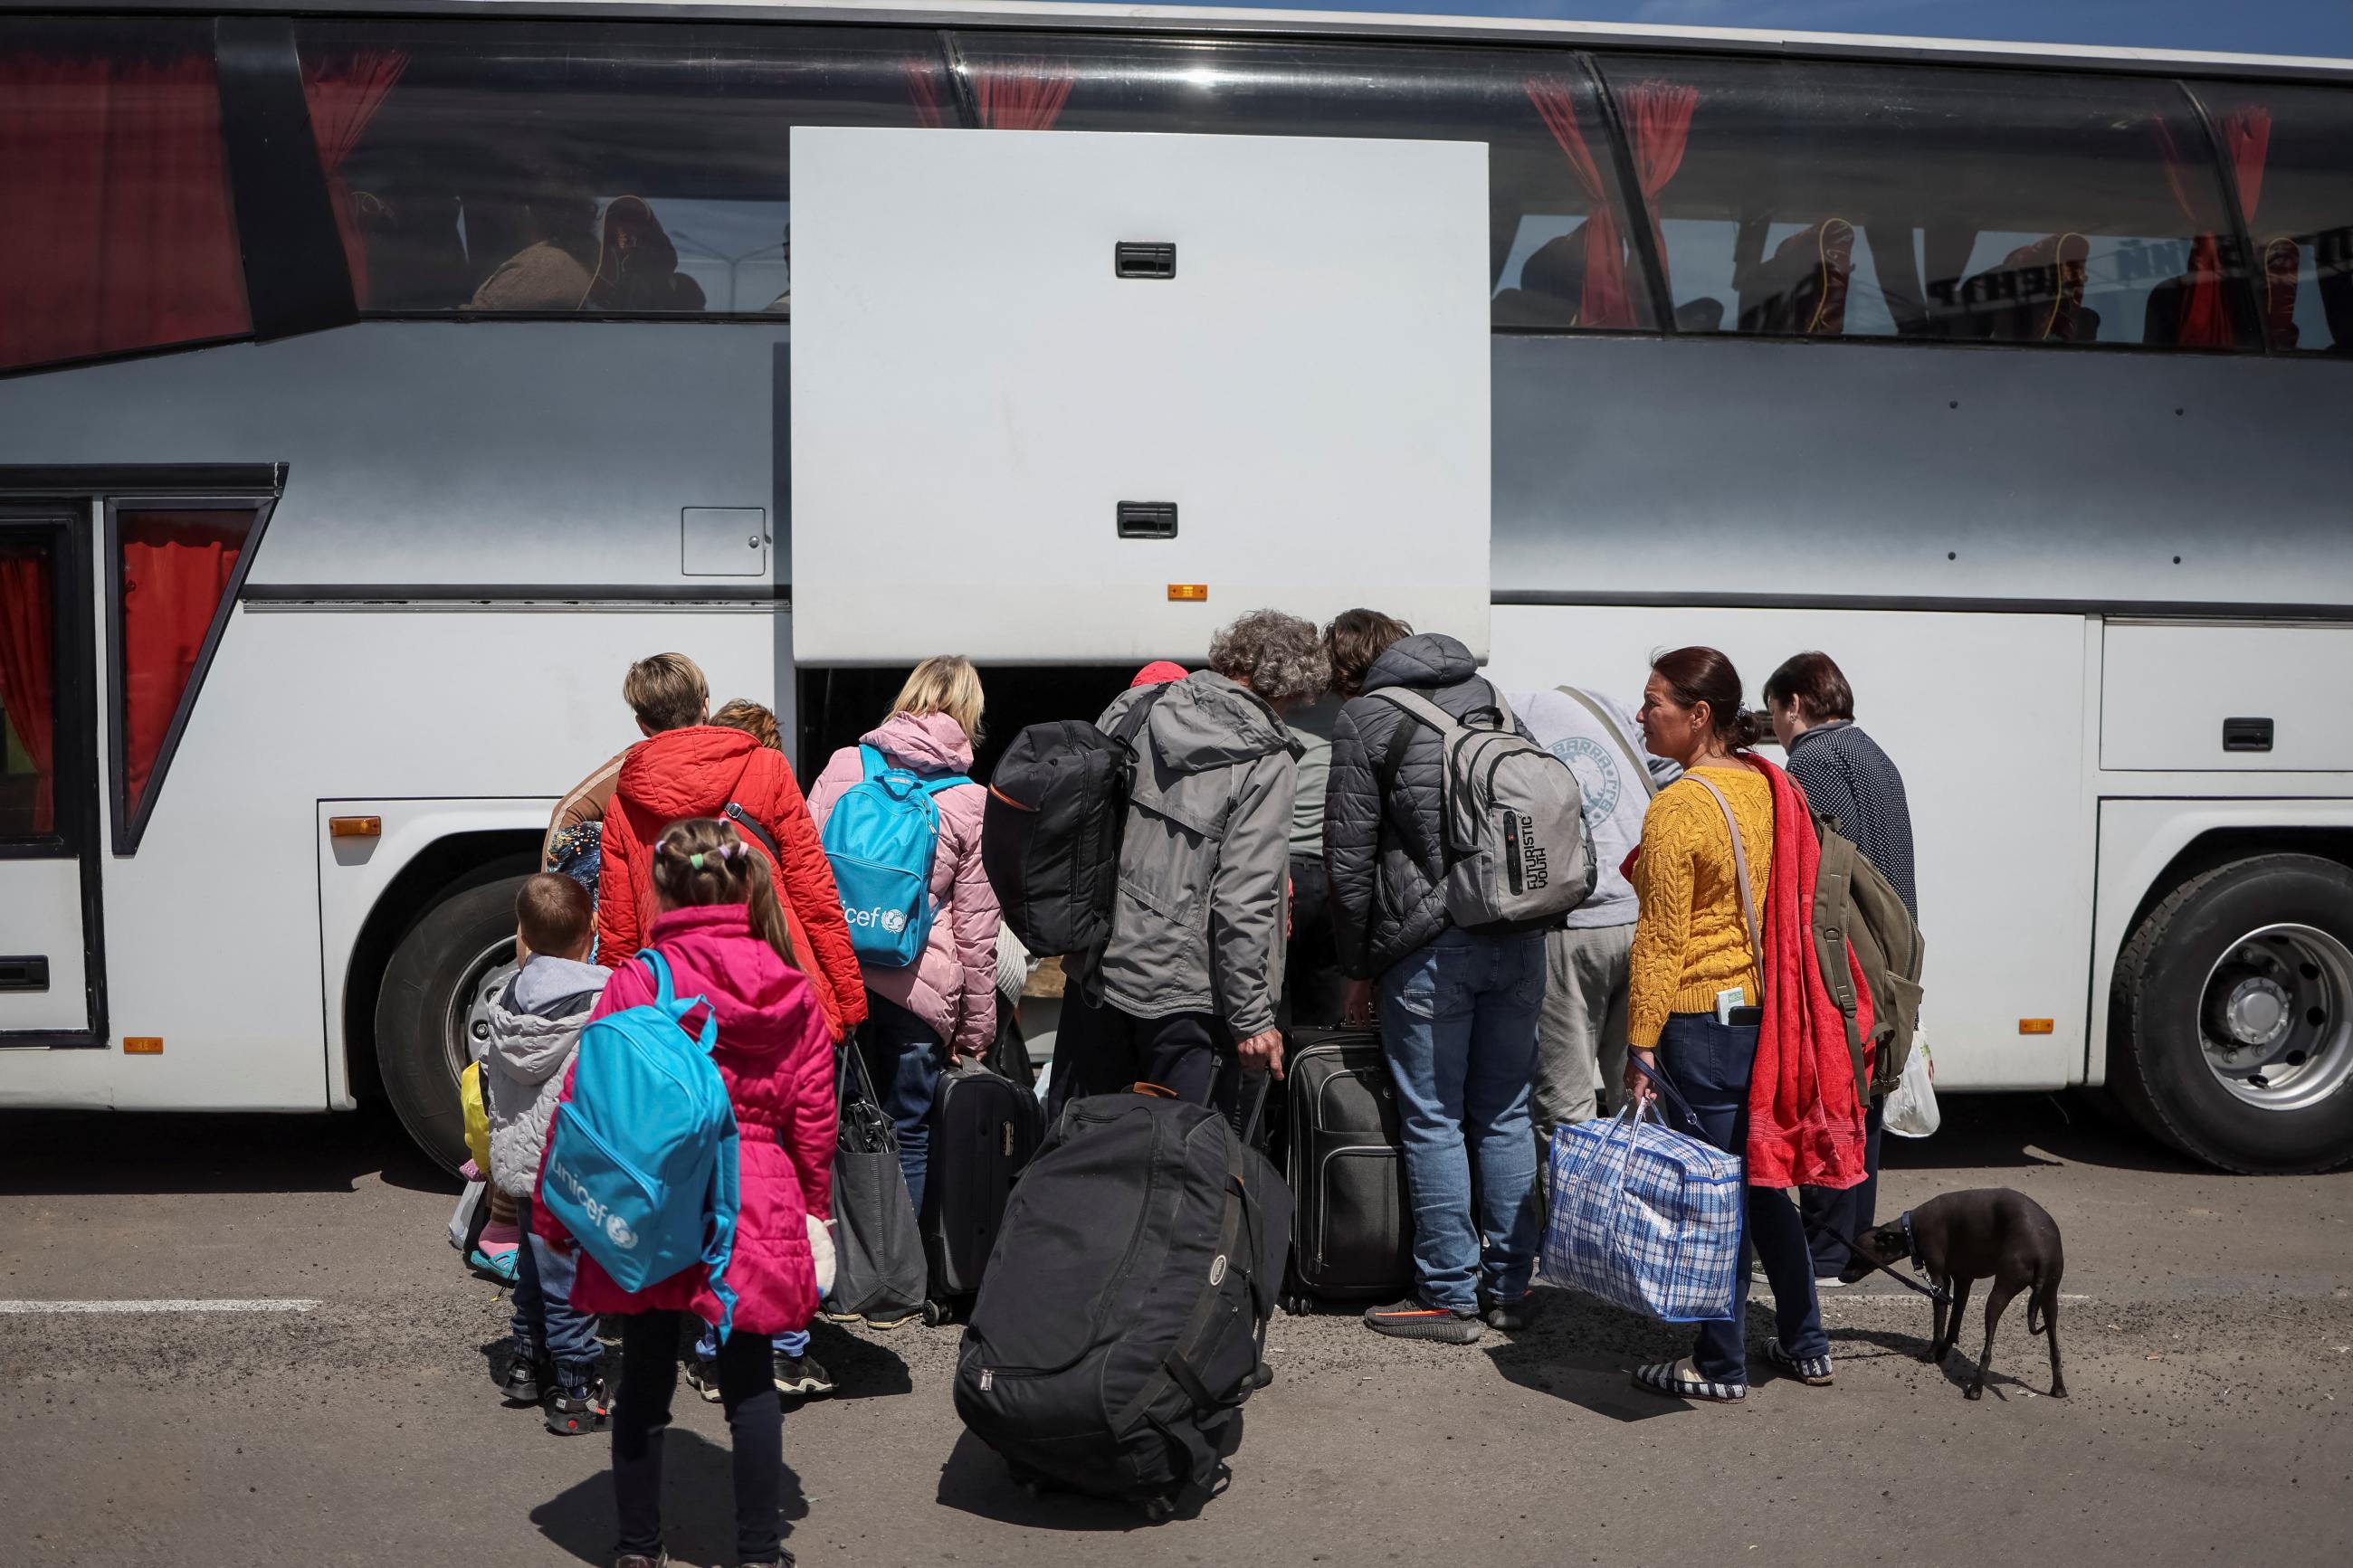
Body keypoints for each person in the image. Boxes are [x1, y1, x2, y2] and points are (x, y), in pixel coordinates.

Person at [539, 817, 834, 1568]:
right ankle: (761, 1552)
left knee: (643, 1371)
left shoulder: (642, 978)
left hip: (654, 1192)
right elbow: (813, 1114)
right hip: (754, 1193)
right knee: (749, 1382)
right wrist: (812, 1207)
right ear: (744, 884)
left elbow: (590, 1099)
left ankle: (639, 1547)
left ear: (662, 886)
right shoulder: (790, 985)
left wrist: (553, 1208)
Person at [1325, 622, 1556, 1344]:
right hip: (1517, 934)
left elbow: (1348, 861)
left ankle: (1450, 1293)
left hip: (1428, 950)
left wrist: (1356, 968)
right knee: (1507, 1111)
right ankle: (1512, 1288)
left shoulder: (1366, 717)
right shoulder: (1493, 699)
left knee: (1434, 1117)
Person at [1624, 646, 1827, 1402]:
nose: (1641, 714)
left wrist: (1639, 1040)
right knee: (1763, 1181)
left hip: (1697, 1018)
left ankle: (1719, 1364)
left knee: (1711, 1192)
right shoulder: (1765, 786)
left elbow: (1662, 939)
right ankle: (1806, 1342)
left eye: (1653, 703)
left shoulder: (1680, 805)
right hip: (1760, 1012)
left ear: (1698, 715)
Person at [1054, 611, 1324, 1116]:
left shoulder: (1135, 707)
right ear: (1289, 688)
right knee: (1177, 1167)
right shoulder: (1267, 761)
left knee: (1083, 1148)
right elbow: (1244, 897)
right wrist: (1252, 1019)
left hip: (1097, 967)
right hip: (1188, 998)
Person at [807, 656, 1000, 1220]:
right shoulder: (970, 800)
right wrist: (976, 1029)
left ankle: (838, 1277)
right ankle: (895, 1290)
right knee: (907, 1134)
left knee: (832, 1131)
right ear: (970, 712)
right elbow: (975, 926)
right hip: (918, 985)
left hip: (835, 980)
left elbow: (805, 873)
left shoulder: (846, 764)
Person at [594, 652, 865, 1047]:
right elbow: (814, 891)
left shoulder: (624, 804)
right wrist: (848, 998)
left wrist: (621, 1023)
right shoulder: (767, 768)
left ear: (642, 724)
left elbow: (619, 934)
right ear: (705, 704)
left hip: (681, 1008)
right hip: (777, 988)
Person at [690, 695, 833, 1392]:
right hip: (774, 1155)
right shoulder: (791, 986)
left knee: (720, 1240)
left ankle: (719, 1358)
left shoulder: (690, 974)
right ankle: (787, 1351)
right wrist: (817, 1187)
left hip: (714, 1142)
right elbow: (813, 1103)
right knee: (781, 1245)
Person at [1764, 651, 1918, 1286]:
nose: (1772, 723)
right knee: (1866, 1105)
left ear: (1794, 704)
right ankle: (1853, 1244)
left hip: (1851, 955)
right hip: (1894, 946)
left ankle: (1824, 1251)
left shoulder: (1814, 761)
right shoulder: (1871, 750)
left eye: (1774, 709)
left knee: (1833, 1100)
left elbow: (1826, 873)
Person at [1510, 683, 1681, 1145]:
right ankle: (1643, 1208)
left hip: (1570, 927)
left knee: (1566, 1110)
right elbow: (1671, 766)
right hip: (1640, 915)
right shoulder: (1601, 701)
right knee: (1642, 1095)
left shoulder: (1505, 713)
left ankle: (1577, 1214)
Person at [483, 874, 610, 1434]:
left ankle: (526, 1362)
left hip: (522, 1163)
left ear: (523, 936)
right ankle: (574, 1385)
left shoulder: (507, 996)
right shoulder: (604, 1000)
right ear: (594, 928)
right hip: (571, 1168)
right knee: (569, 1282)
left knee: (535, 1270)